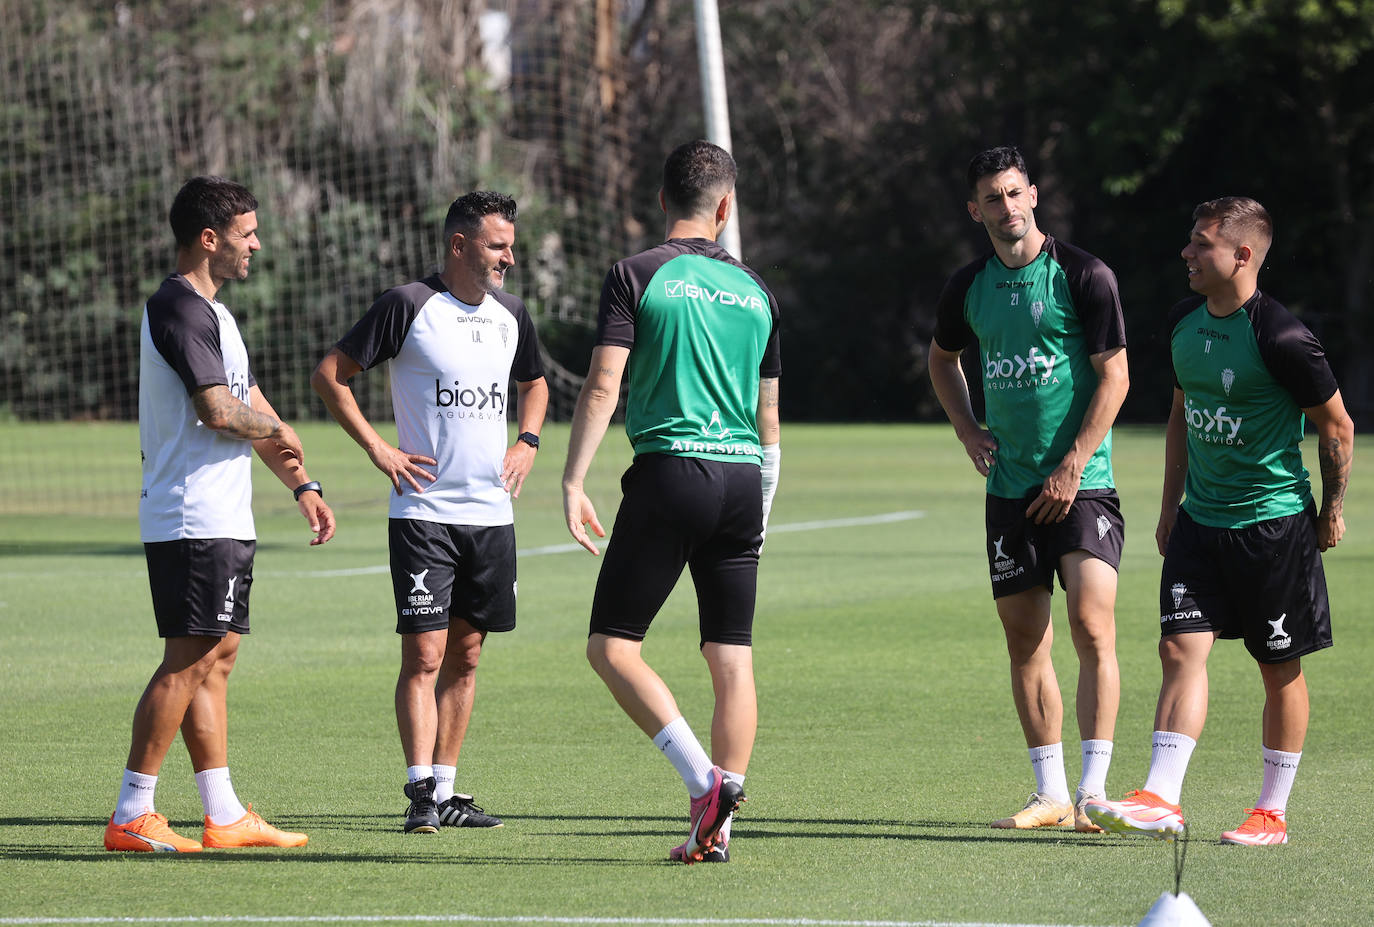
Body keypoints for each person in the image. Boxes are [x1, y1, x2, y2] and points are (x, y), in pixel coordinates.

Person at [1084, 197, 1353, 846]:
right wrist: (1172, 501)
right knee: (1178, 648)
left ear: (1242, 255)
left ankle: (1271, 811)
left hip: (1273, 528)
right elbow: (1182, 411)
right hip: (1200, 524)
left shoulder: (1283, 337)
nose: (1187, 253)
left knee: (1278, 665)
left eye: (1201, 244)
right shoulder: (1183, 322)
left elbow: (1337, 428)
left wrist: (1331, 509)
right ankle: (1162, 796)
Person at [561, 140, 781, 864]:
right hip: (744, 478)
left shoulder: (637, 273)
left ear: (663, 202)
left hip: (671, 472)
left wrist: (573, 479)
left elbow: (602, 385)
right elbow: (768, 418)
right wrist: (761, 504)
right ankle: (719, 830)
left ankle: (702, 783)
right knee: (732, 657)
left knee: (611, 645)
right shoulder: (758, 292)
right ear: (726, 207)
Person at [106, 176, 335, 853]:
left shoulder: (219, 316)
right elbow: (220, 409)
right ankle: (131, 811)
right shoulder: (177, 307)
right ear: (210, 239)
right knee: (189, 656)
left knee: (218, 653)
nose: (256, 244)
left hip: (224, 516)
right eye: (247, 233)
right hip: (191, 515)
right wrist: (278, 429)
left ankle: (224, 813)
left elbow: (252, 406)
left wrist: (303, 485)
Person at [311, 191, 548, 834]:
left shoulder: (512, 314)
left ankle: (447, 788)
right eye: (498, 245)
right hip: (423, 514)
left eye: (510, 244)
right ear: (459, 245)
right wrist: (378, 448)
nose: (509, 256)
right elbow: (332, 373)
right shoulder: (408, 306)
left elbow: (535, 382)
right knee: (424, 653)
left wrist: (527, 442)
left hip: (492, 516)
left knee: (467, 656)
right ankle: (418, 791)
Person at [927, 146, 1130, 832]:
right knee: (1025, 639)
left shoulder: (1084, 275)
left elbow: (1117, 376)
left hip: (1084, 485)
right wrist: (966, 428)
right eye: (992, 197)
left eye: (1014, 193)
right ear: (974, 209)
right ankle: (1050, 793)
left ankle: (1095, 791)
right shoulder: (968, 286)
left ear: (1034, 194)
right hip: (1010, 489)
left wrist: (1074, 463)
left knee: (1092, 625)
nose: (1006, 207)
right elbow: (942, 357)